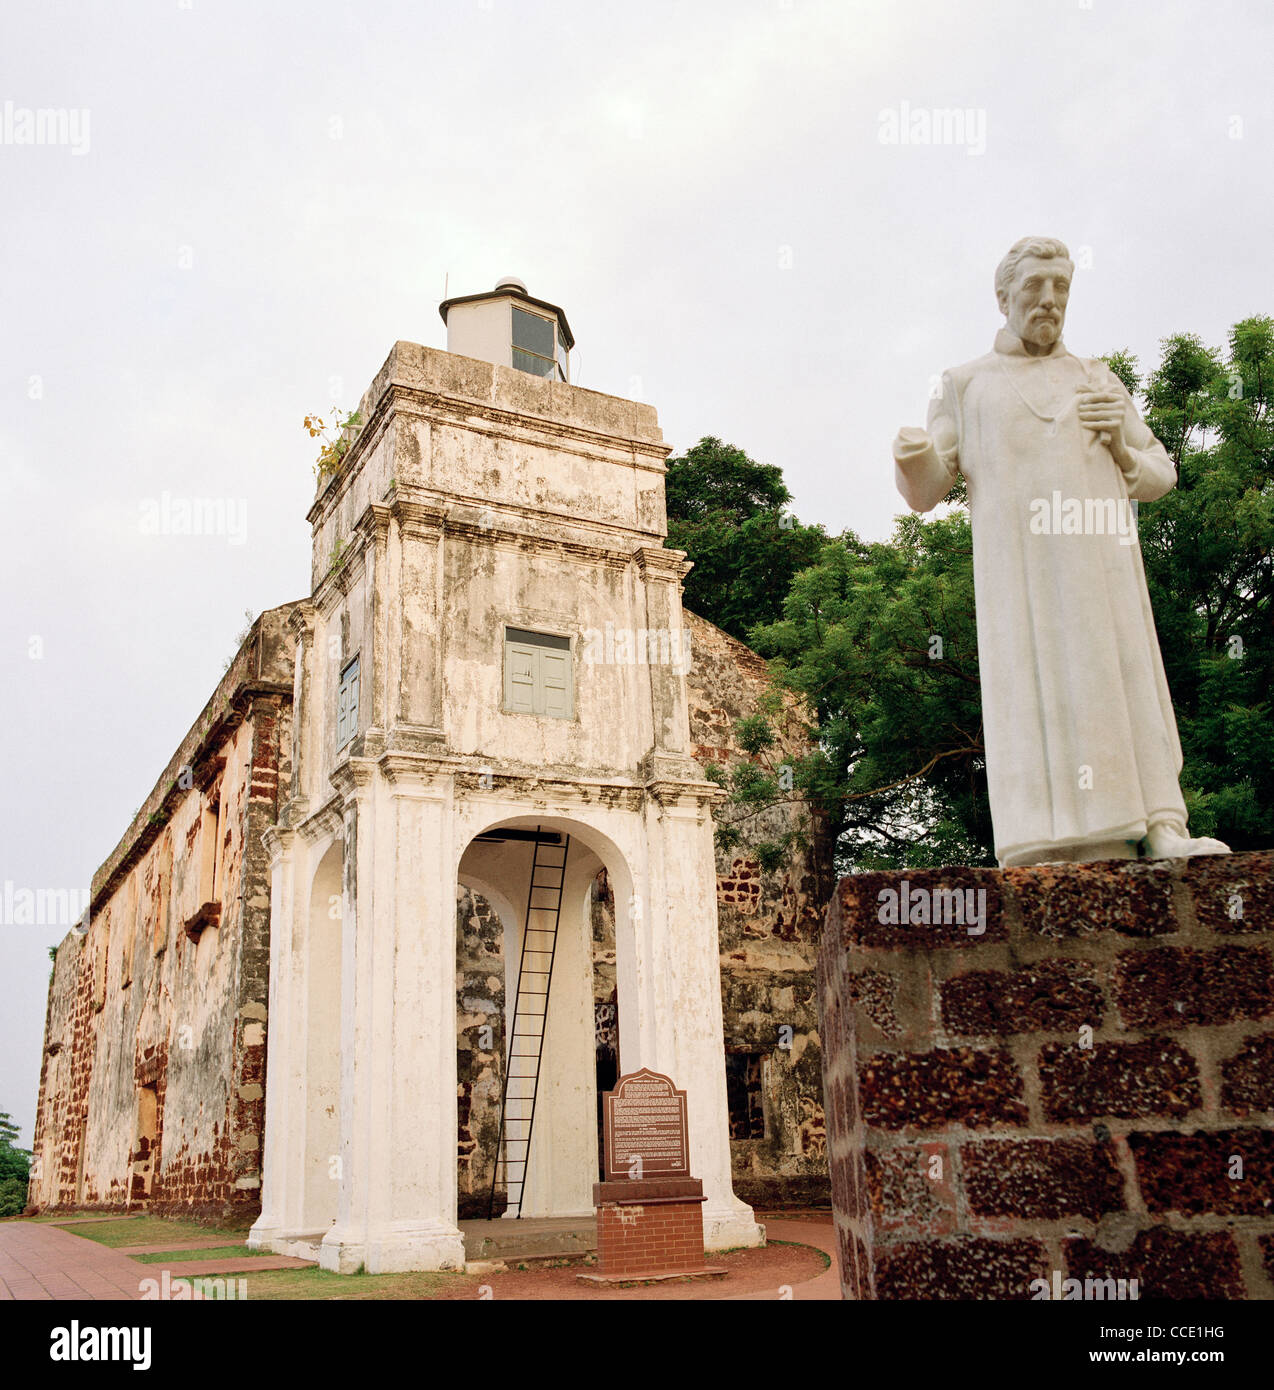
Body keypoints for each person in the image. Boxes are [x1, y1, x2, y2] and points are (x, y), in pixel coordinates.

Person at [892, 235, 1228, 868]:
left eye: (1061, 289)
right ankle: (1044, 840)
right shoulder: (964, 385)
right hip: (1021, 578)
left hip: (1101, 566)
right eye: (1034, 289)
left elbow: (1160, 472)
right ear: (1004, 297)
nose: (1049, 301)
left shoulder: (1094, 377)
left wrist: (1122, 451)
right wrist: (914, 456)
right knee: (1036, 686)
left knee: (1120, 676)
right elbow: (929, 487)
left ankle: (1159, 825)